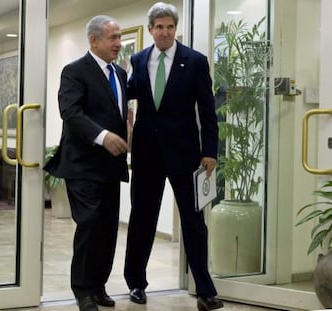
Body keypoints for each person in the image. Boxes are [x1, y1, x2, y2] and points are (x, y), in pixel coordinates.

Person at [124, 3, 223, 311]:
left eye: (169, 27)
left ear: (175, 29)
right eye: (158, 27)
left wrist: (210, 151)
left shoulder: (194, 61)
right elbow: (127, 97)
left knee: (194, 224)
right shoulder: (138, 60)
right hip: (147, 155)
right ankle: (136, 284)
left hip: (186, 155)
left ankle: (205, 291)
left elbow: (208, 112)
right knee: (142, 220)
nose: (164, 32)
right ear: (151, 29)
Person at [43, 15, 129, 311]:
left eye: (119, 37)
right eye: (112, 38)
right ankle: (82, 290)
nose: (118, 43)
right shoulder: (74, 71)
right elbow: (71, 113)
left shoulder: (120, 73)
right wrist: (103, 136)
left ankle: (98, 285)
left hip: (111, 166)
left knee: (107, 228)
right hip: (81, 165)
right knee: (90, 224)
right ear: (93, 40)